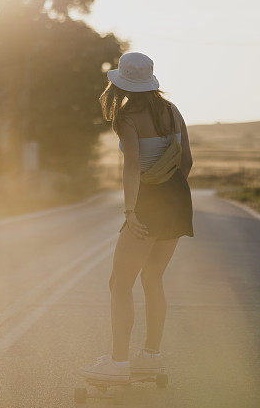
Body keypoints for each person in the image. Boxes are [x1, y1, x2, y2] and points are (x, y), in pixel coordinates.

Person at [79, 52, 194, 382]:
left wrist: (131, 210)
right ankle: (151, 357)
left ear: (122, 83)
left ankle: (117, 364)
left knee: (119, 284)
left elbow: (131, 166)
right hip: (176, 197)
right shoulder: (173, 111)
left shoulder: (127, 117)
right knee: (153, 278)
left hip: (147, 201)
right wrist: (171, 192)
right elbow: (186, 160)